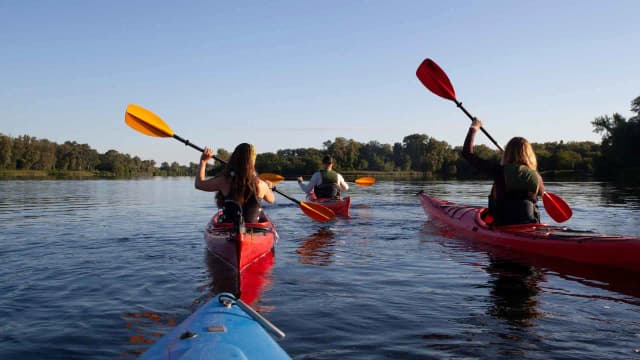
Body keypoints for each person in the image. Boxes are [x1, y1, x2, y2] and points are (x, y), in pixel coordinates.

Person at [462, 119, 544, 225]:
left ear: (507, 153)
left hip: (503, 225)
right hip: (531, 225)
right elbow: (541, 193)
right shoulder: (537, 177)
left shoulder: (499, 171)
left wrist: (474, 128)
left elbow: (467, 153)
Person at [195, 143, 275, 223]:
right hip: (254, 229)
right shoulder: (261, 185)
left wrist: (203, 161)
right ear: (253, 161)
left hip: (228, 228)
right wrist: (269, 187)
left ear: (234, 158)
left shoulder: (224, 180)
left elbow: (199, 184)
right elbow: (271, 200)